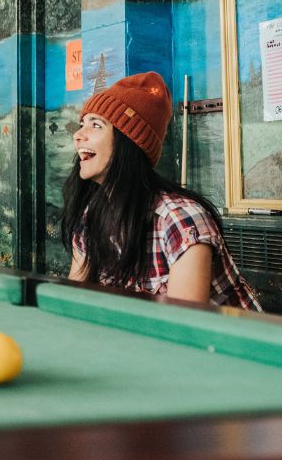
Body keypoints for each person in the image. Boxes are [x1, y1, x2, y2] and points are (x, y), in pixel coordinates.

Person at [62, 71, 261, 310]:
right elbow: (73, 304)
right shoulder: (89, 218)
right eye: (82, 124)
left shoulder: (181, 221)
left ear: (130, 142)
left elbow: (182, 329)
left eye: (96, 125)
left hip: (225, 346)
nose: (78, 135)